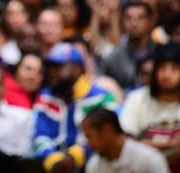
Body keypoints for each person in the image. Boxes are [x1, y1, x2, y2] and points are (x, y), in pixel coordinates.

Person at [33, 43, 118, 173]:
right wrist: (53, 160)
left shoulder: (102, 97)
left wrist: (75, 157)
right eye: (50, 67)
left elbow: (108, 136)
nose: (52, 72)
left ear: (77, 68)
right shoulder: (44, 97)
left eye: (59, 67)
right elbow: (40, 136)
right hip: (53, 167)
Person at [119, 43, 180, 169]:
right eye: (162, 68)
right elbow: (126, 143)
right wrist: (171, 144)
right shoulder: (137, 98)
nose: (167, 75)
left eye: (174, 68)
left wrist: (147, 144)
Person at [83, 107, 169, 173]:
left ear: (107, 130)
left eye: (89, 136)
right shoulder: (93, 165)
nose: (88, 142)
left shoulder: (150, 159)